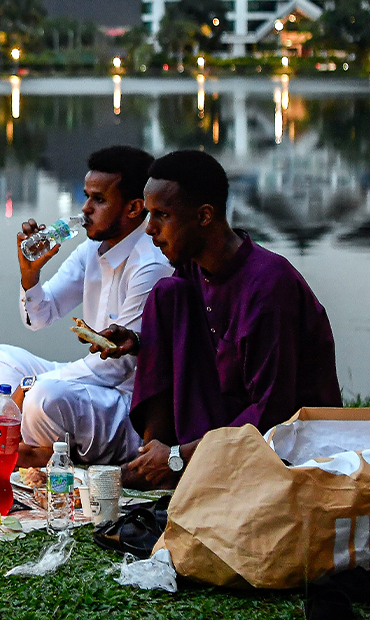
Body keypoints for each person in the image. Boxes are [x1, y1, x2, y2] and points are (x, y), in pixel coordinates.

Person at [92, 150, 342, 489]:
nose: (149, 229)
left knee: (170, 294)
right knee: (167, 296)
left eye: (161, 215)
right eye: (149, 214)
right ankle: (152, 457)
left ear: (205, 216)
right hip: (222, 427)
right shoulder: (193, 269)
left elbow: (274, 413)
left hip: (288, 442)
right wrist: (137, 342)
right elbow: (198, 342)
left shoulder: (268, 287)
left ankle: (174, 463)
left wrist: (180, 456)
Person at [0, 146, 173, 468]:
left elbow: (117, 367)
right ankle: (31, 447)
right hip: (91, 384)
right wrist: (31, 276)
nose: (85, 210)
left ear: (135, 207)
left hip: (124, 405)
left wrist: (30, 389)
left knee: (45, 396)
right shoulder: (91, 249)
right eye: (86, 196)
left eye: (99, 200)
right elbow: (40, 316)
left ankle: (27, 450)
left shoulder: (149, 264)